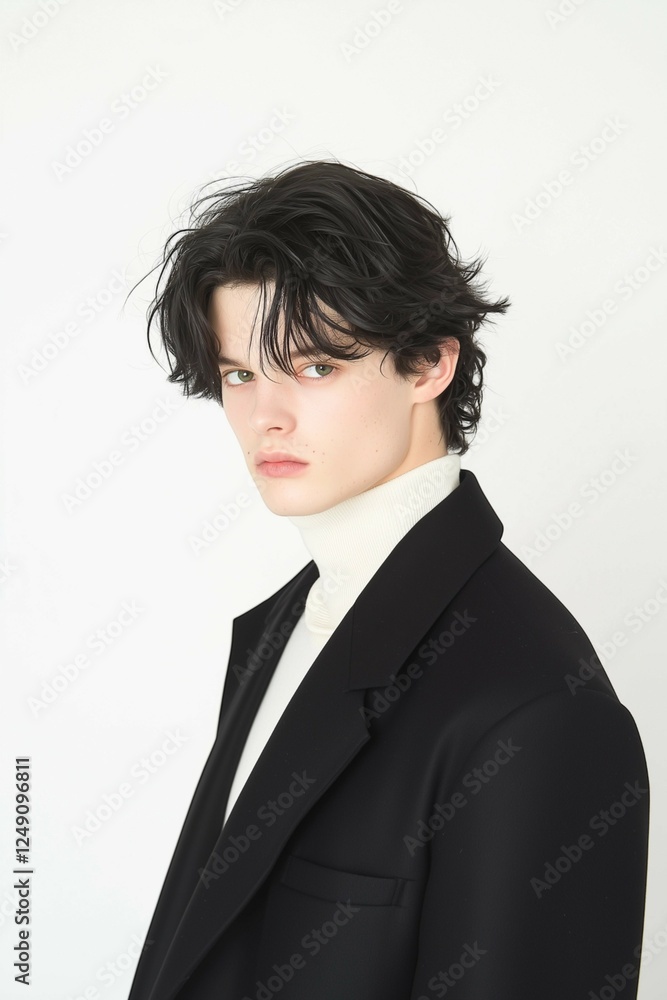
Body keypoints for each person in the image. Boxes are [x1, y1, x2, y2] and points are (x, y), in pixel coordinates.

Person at [126, 160, 650, 1000]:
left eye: (314, 367)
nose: (266, 418)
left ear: (428, 365)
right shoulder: (286, 621)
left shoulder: (536, 710)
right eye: (240, 374)